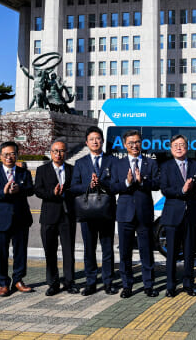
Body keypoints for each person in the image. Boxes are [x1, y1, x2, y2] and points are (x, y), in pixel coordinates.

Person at [111, 130, 160, 298]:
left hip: (144, 213)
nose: (134, 146)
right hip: (125, 213)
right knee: (125, 252)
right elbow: (113, 187)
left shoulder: (150, 163)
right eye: (131, 143)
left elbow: (156, 184)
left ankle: (149, 285)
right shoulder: (118, 164)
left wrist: (142, 181)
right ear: (124, 145)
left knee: (146, 251)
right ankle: (127, 285)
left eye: (137, 142)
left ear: (142, 143)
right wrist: (127, 182)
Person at [70, 126, 118, 296]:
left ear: (102, 141)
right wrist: (88, 186)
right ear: (87, 142)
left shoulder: (112, 160)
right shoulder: (80, 163)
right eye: (92, 139)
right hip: (87, 212)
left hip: (106, 211)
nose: (95, 142)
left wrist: (102, 184)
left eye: (98, 138)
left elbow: (117, 185)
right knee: (89, 249)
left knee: (107, 248)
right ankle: (91, 282)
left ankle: (108, 282)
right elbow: (73, 187)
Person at [0, 141, 34, 297]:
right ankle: (3, 284)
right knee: (1, 254)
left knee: (20, 252)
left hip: (21, 218)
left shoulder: (24, 173)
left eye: (12, 154)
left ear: (17, 155)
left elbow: (31, 190)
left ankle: (18, 280)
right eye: (6, 154)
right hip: (0, 220)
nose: (9, 157)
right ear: (0, 156)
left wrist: (21, 189)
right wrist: (3, 192)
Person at [159, 134, 196, 297]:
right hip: (172, 215)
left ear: (187, 147)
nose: (179, 147)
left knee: (190, 253)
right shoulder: (165, 166)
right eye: (175, 145)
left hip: (190, 214)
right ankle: (170, 286)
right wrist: (182, 190)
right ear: (171, 148)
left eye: (182, 145)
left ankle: (188, 284)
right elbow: (164, 189)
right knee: (171, 253)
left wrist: (192, 189)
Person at [34, 140, 78, 295]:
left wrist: (65, 193)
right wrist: (52, 194)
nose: (58, 154)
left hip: (67, 215)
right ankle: (53, 283)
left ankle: (69, 281)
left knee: (68, 251)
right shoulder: (42, 170)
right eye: (55, 151)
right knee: (50, 252)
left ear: (66, 153)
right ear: (50, 153)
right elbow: (38, 191)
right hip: (49, 216)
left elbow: (76, 189)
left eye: (61, 151)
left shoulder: (73, 170)